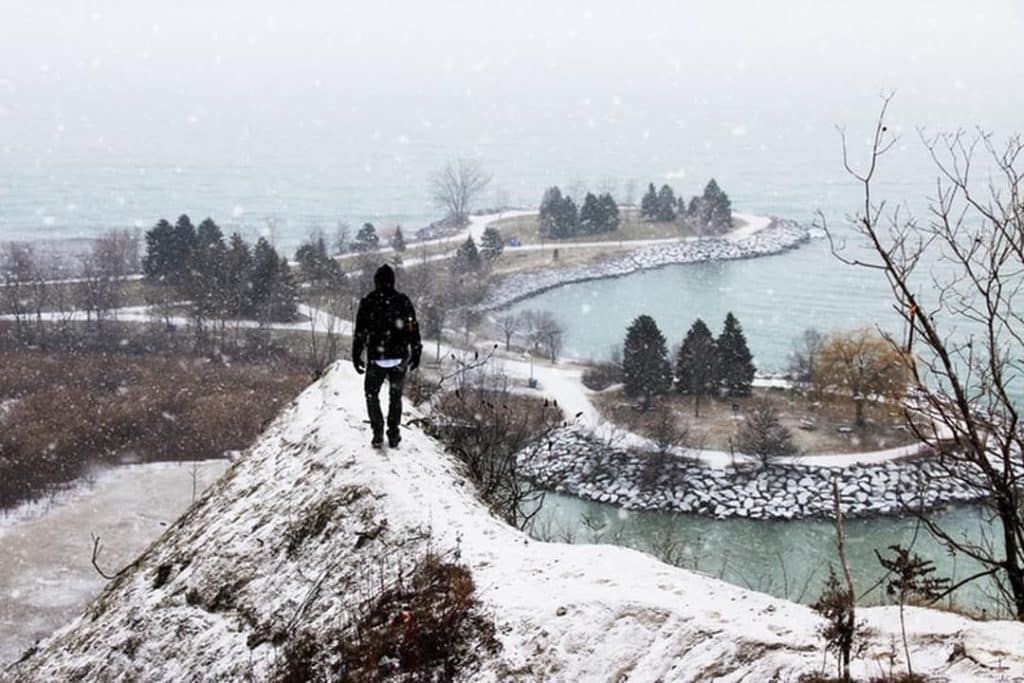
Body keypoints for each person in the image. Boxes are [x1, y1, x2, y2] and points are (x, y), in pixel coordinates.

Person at [352, 264, 422, 448]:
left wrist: (356, 355)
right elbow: (413, 327)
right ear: (393, 281)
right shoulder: (403, 301)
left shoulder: (368, 301)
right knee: (395, 396)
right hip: (399, 357)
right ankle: (393, 432)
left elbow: (360, 332)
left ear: (376, 282)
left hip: (377, 358)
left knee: (371, 394)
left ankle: (377, 431)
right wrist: (416, 351)